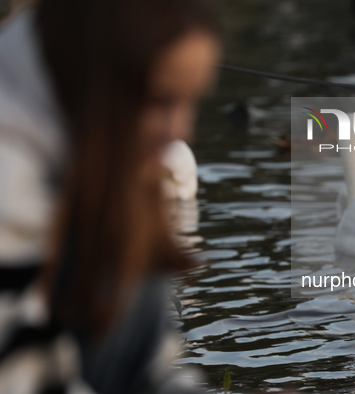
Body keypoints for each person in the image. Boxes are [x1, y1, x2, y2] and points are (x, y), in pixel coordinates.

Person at [0, 0, 221, 392]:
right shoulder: (9, 184)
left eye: (191, 101)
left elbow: (153, 365)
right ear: (99, 84)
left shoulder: (115, 168)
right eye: (159, 101)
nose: (180, 131)